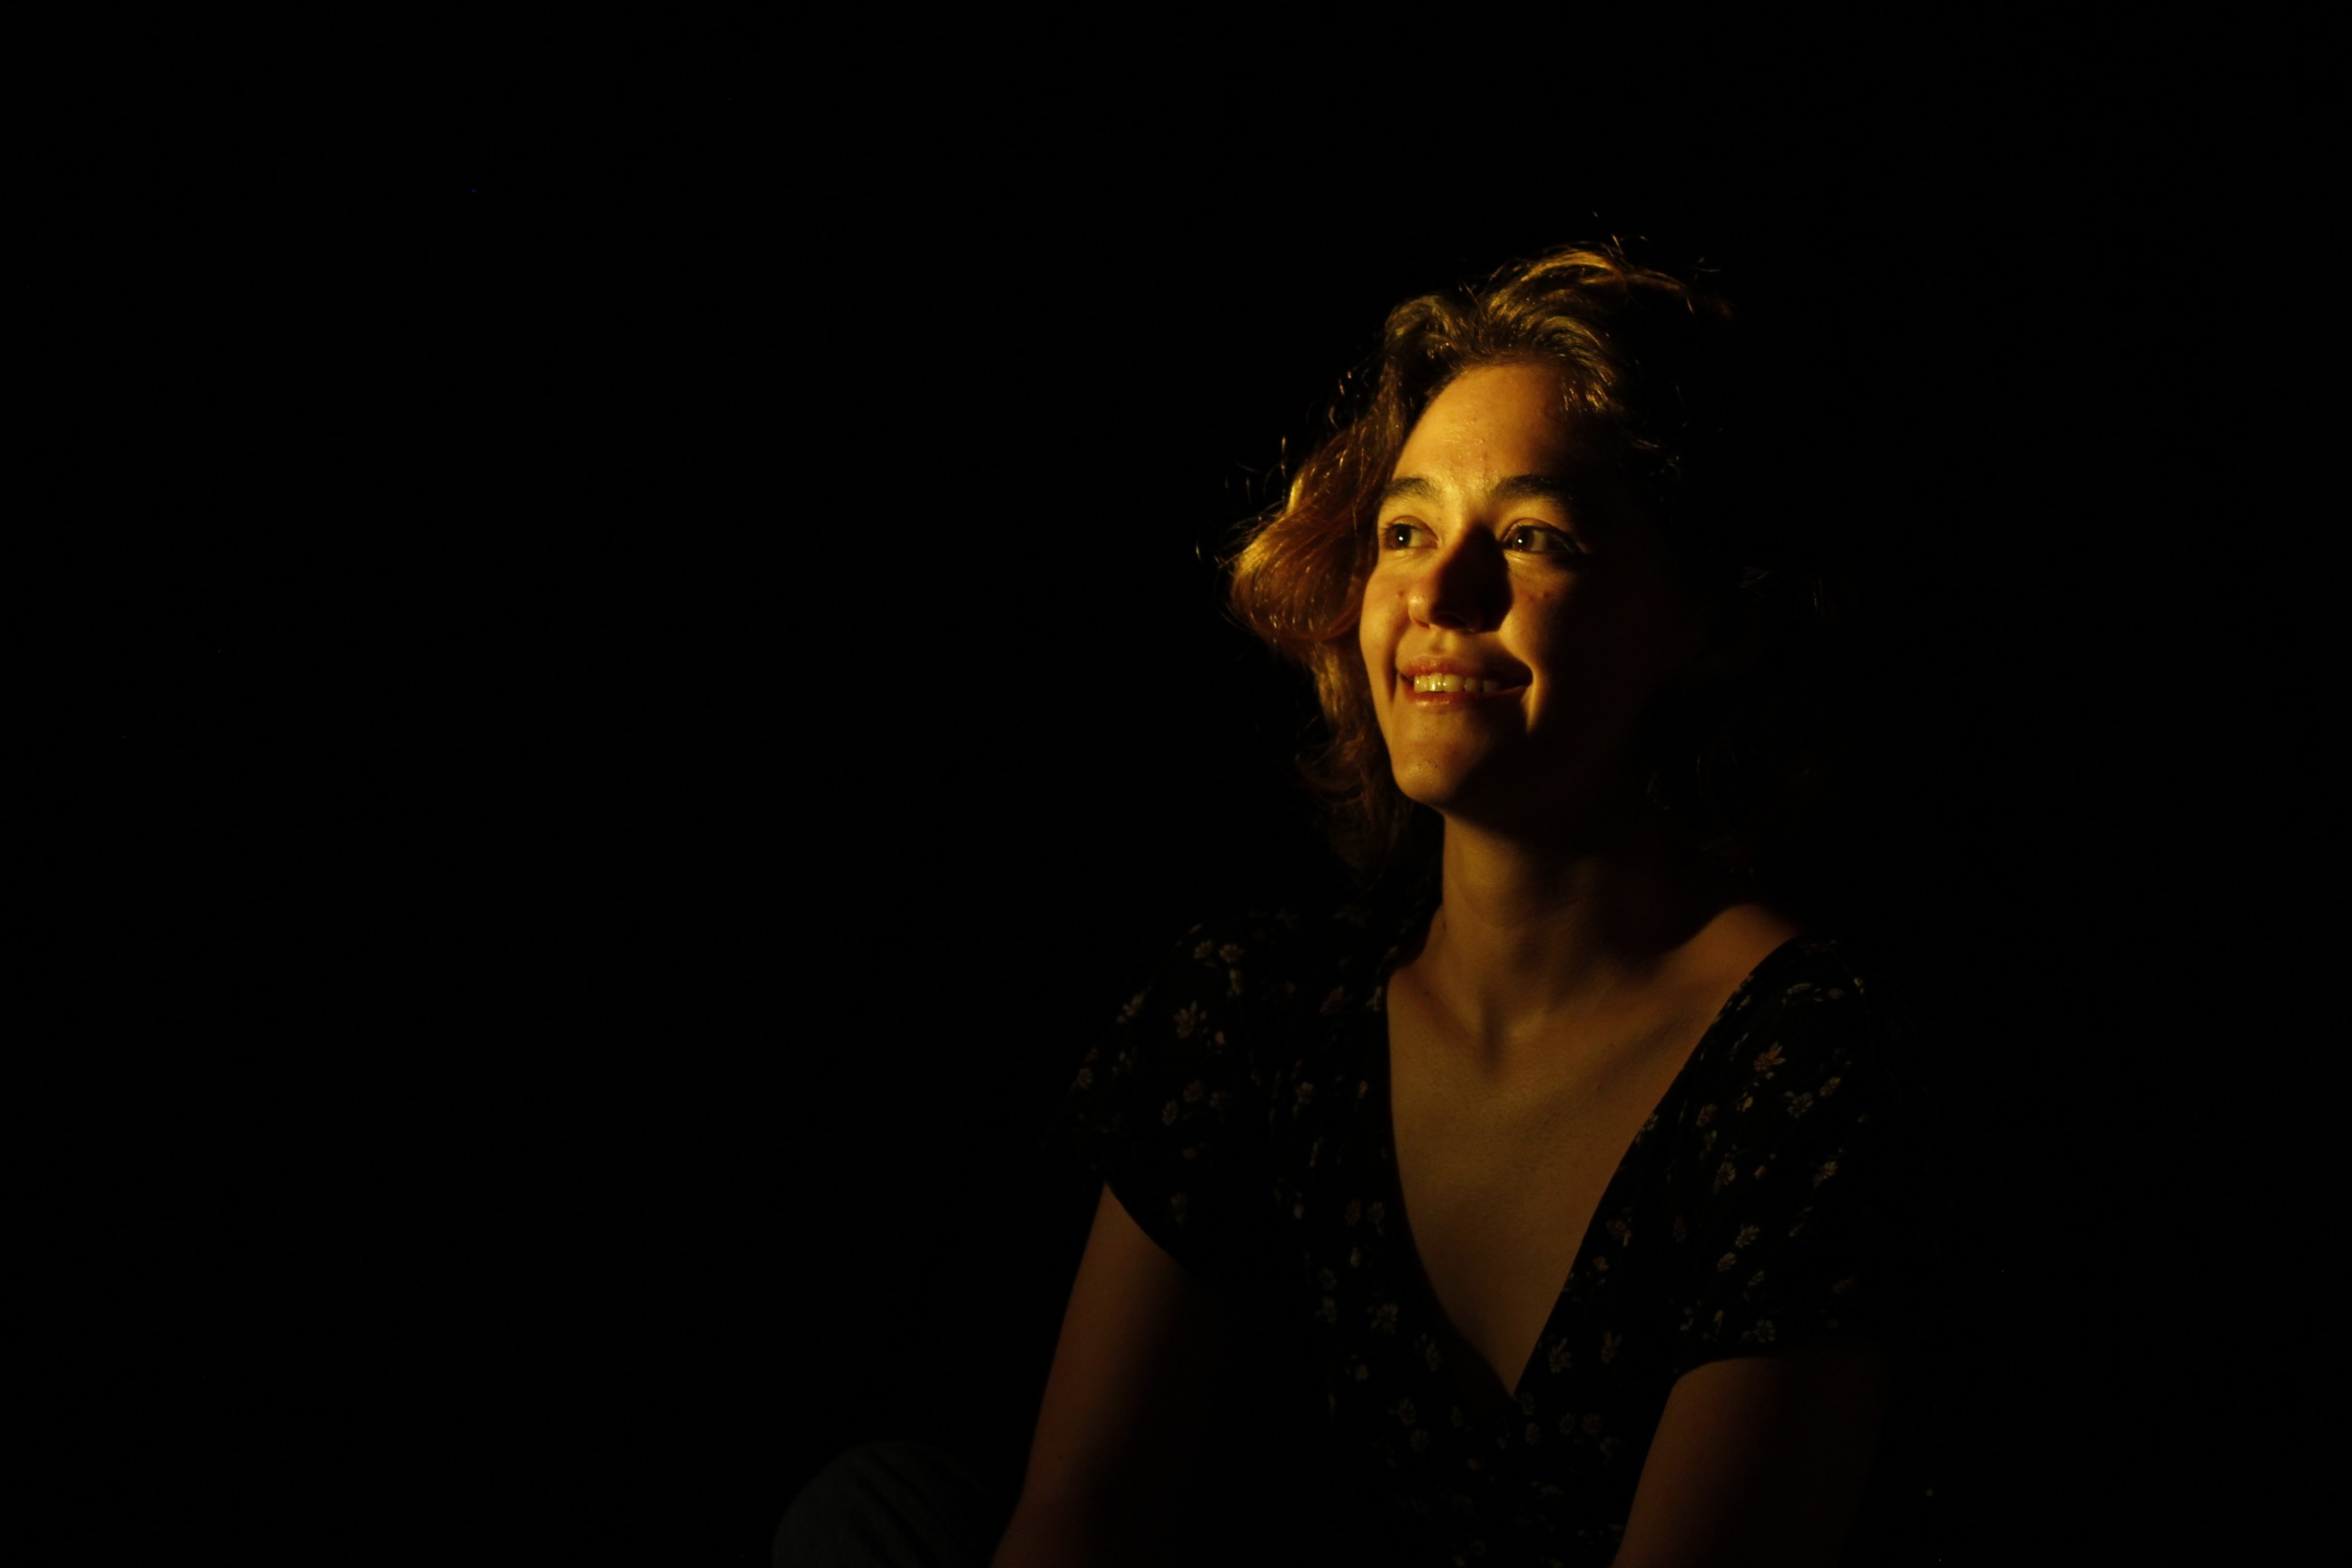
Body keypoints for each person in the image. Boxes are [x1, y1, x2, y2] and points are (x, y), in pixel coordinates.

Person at [779, 244, 1940, 1566]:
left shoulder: (1808, 1061)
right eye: (1405, 532)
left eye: (1533, 538)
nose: (1438, 593)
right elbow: (1085, 1511)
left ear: (1716, 625)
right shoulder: (1257, 1019)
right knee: (873, 1512)